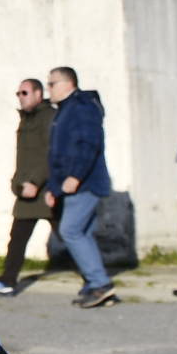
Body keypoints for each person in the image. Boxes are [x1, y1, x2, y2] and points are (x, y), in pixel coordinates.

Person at [44, 64, 119, 308]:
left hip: (84, 183)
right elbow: (59, 155)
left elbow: (89, 143)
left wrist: (75, 176)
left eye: (52, 84)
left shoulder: (82, 107)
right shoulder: (66, 110)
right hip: (72, 185)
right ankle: (94, 284)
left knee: (71, 231)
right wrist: (54, 188)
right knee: (82, 232)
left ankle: (100, 284)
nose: (49, 89)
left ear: (68, 84)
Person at [0, 76, 57, 296]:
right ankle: (7, 280)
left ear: (38, 94)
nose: (20, 97)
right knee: (17, 238)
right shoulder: (27, 118)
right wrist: (18, 183)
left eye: (24, 93)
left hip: (45, 191)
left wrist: (35, 182)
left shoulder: (48, 117)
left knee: (72, 235)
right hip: (27, 191)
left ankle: (97, 279)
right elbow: (24, 157)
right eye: (18, 93)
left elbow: (50, 153)